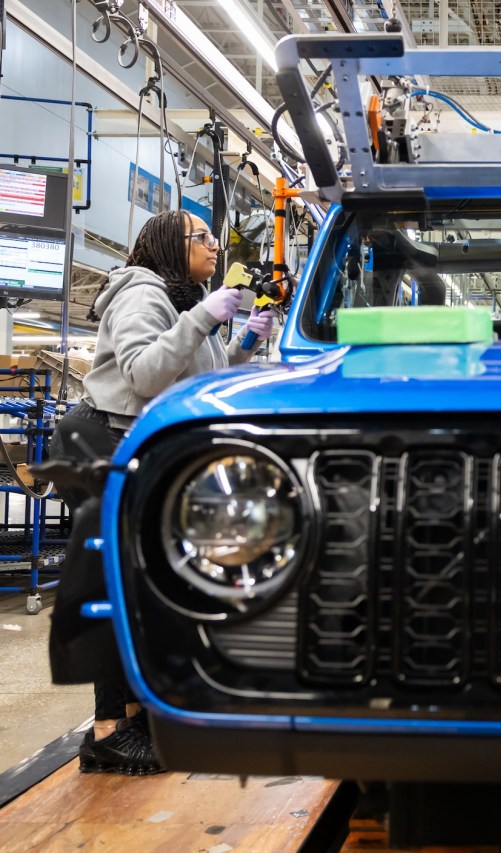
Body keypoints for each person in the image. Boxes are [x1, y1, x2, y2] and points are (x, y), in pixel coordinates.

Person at [47, 210, 274, 775]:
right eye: (203, 239)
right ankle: (106, 733)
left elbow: (197, 382)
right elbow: (145, 376)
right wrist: (202, 315)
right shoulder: (142, 294)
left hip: (138, 447)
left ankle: (134, 716)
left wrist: (243, 342)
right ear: (174, 245)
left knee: (145, 582)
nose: (215, 247)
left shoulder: (179, 297)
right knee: (113, 586)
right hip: (102, 441)